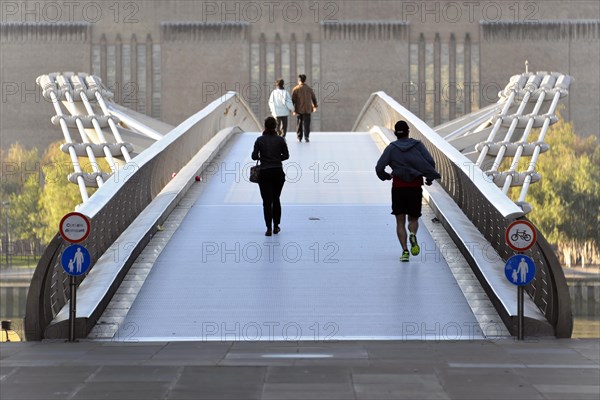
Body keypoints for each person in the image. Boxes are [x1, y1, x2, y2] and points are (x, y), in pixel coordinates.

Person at [375, 121, 441, 262]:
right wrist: (429, 178)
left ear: (395, 133)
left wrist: (386, 176)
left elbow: (379, 167)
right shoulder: (417, 145)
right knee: (413, 218)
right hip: (415, 187)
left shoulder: (391, 148)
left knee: (400, 221)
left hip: (398, 188)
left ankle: (405, 251)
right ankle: (413, 234)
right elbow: (430, 162)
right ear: (408, 131)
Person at [252, 116, 290, 236]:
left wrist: (262, 157)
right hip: (278, 173)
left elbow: (253, 156)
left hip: (264, 173)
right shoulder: (280, 140)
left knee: (267, 201)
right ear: (276, 126)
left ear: (265, 126)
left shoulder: (259, 140)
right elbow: (286, 156)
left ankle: (268, 228)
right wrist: (277, 158)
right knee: (276, 199)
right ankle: (276, 226)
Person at [291, 74, 318, 142]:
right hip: (308, 109)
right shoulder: (309, 89)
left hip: (299, 109)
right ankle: (306, 136)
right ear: (305, 80)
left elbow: (293, 100)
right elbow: (314, 98)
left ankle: (299, 137)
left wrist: (293, 109)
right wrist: (315, 106)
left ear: (299, 80)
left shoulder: (295, 89)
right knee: (307, 124)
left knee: (299, 123)